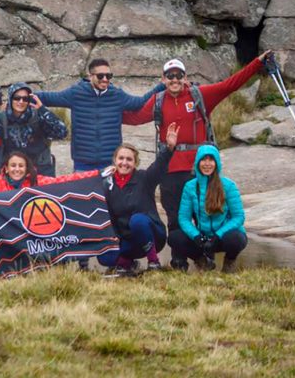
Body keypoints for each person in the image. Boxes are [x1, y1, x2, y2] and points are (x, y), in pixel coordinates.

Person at [121, 52, 270, 270]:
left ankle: (207, 255)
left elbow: (230, 85)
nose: (174, 80)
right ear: (163, 79)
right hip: (169, 170)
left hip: (200, 169)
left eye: (178, 75)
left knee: (203, 213)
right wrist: (97, 106)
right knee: (174, 217)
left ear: (185, 77)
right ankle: (179, 258)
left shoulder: (200, 95)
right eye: (169, 76)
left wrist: (257, 63)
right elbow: (133, 118)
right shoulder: (158, 100)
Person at [36, 58, 163, 173]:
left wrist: (162, 86)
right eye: (101, 76)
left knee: (110, 199)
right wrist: (20, 92)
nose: (105, 79)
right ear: (90, 76)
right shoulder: (75, 94)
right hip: (83, 163)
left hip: (110, 163)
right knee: (83, 199)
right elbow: (48, 98)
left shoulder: (117, 95)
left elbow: (140, 103)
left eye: (109, 76)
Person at [99, 123, 177, 277]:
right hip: (127, 238)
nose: (124, 163)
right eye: (121, 158)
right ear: (115, 160)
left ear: (135, 163)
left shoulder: (144, 178)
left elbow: (158, 167)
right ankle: (127, 262)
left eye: (129, 159)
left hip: (152, 235)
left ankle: (154, 262)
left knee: (138, 220)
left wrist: (168, 148)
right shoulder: (107, 184)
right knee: (105, 257)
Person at [168, 144, 247, 273]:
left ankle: (229, 262)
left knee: (236, 239)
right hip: (202, 237)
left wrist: (218, 235)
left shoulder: (228, 185)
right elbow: (183, 218)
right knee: (174, 237)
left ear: (216, 163)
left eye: (211, 160)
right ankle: (202, 261)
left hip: (222, 236)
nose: (207, 164)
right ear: (198, 162)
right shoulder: (190, 187)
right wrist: (196, 236)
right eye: (203, 160)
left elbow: (239, 217)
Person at [0, 82, 68, 177]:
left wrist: (43, 110)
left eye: (25, 99)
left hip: (40, 171)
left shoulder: (37, 116)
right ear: (10, 98)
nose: (21, 101)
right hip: (14, 173)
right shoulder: (0, 119)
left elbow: (62, 132)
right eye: (17, 98)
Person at [0, 148, 99, 193]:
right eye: (13, 166)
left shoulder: (37, 182)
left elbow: (64, 180)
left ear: (26, 169)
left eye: (20, 166)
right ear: (6, 168)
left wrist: (98, 173)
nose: (16, 169)